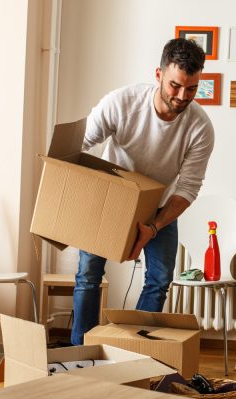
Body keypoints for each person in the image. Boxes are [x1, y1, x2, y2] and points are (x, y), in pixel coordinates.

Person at [71, 38, 215, 345]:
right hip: (110, 201)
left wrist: (155, 226)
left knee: (159, 280)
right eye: (175, 85)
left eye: (191, 89)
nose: (181, 96)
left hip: (160, 208)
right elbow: (78, 145)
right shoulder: (122, 102)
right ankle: (79, 350)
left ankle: (135, 351)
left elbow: (189, 187)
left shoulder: (200, 127)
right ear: (159, 74)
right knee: (88, 275)